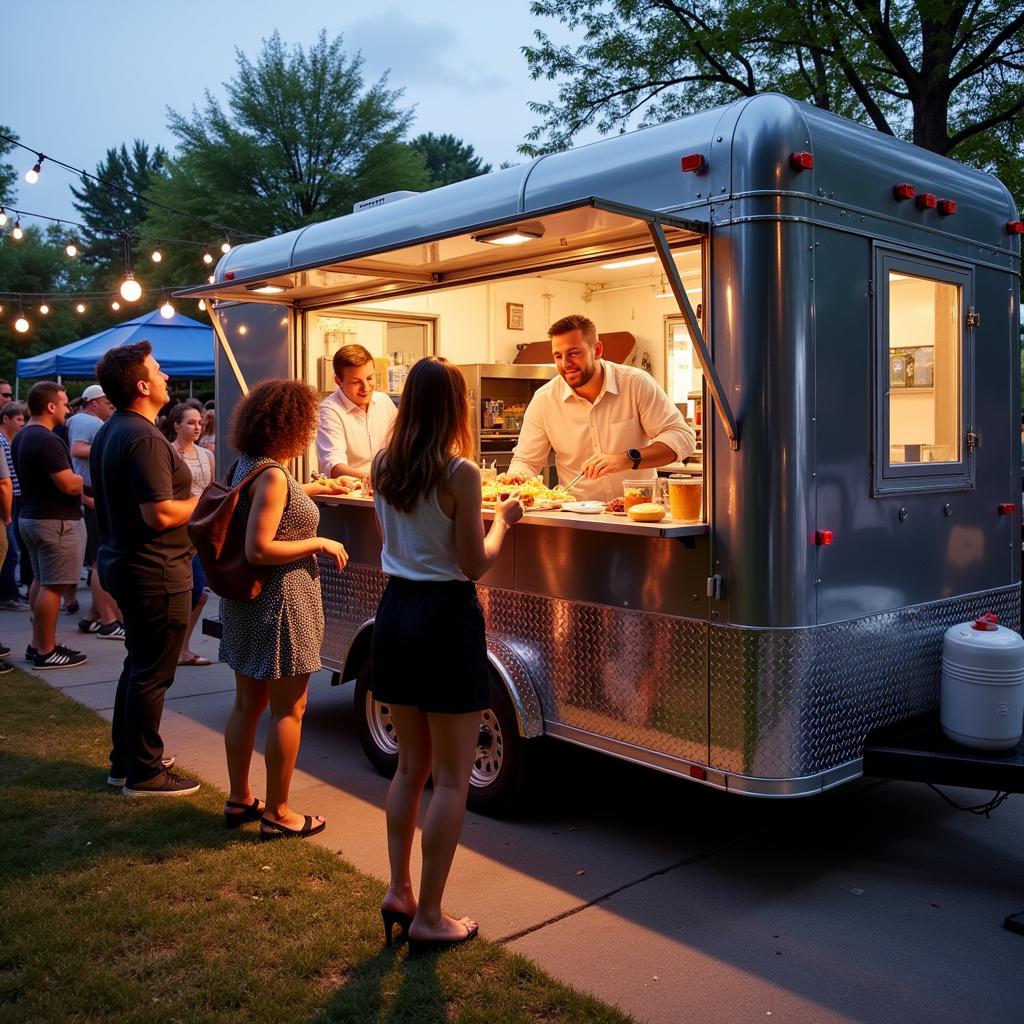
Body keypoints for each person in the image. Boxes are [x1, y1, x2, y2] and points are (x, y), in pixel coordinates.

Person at [371, 356, 523, 951]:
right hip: (445, 619)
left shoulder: (384, 465)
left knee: (411, 767)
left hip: (395, 613)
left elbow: (391, 542)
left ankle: (399, 889)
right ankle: (431, 915)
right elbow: (474, 564)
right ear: (457, 406)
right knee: (454, 779)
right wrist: (503, 521)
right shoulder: (459, 472)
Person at [219, 380, 348, 835]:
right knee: (289, 710)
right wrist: (320, 540)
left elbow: (272, 505)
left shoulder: (250, 466)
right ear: (292, 425)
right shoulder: (273, 474)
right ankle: (278, 813)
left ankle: (239, 800)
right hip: (281, 602)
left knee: (246, 705)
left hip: (247, 603)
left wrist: (313, 486)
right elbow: (259, 548)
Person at [91, 342, 200, 796]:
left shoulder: (114, 429)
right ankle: (145, 771)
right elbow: (159, 514)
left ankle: (127, 760)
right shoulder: (143, 436)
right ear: (141, 385)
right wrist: (210, 502)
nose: (166, 377)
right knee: (153, 673)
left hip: (130, 564)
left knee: (139, 666)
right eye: (158, 370)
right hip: (154, 569)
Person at [508, 314, 696, 502]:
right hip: (576, 516)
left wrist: (627, 459)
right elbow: (526, 461)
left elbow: (682, 437)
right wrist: (517, 476)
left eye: (574, 353)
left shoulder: (635, 383)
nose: (565, 363)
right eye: (558, 356)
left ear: (597, 350)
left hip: (638, 511)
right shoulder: (544, 400)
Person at [12, 382, 88, 669]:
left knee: (41, 581)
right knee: (53, 586)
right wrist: (90, 479)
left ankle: (37, 644)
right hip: (54, 520)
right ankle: (46, 650)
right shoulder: (46, 439)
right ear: (51, 406)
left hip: (31, 517)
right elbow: (69, 485)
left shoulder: (23, 436)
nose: (68, 410)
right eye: (65, 404)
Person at [68, 384, 124, 639]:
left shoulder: (84, 420)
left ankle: (93, 616)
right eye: (106, 402)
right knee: (100, 561)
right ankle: (108, 621)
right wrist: (112, 446)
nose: (110, 406)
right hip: (93, 493)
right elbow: (77, 449)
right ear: (93, 402)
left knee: (99, 559)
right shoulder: (88, 421)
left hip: (92, 492)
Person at [169, 403, 214, 666]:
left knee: (198, 591)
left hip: (200, 528)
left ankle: (182, 648)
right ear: (176, 425)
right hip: (177, 528)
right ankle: (174, 648)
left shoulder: (206, 454)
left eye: (199, 422)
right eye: (190, 422)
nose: (197, 427)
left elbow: (211, 491)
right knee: (190, 589)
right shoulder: (168, 452)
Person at [315, 343, 397, 485]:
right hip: (349, 499)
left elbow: (401, 447)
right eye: (355, 382)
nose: (365, 387)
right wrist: (377, 478)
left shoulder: (383, 401)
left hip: (386, 492)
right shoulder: (329, 410)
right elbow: (334, 467)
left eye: (370, 378)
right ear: (338, 381)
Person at [0, 398, 28, 608]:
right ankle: (7, 595)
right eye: (19, 418)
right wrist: (7, 512)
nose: (22, 423)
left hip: (14, 500)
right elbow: (4, 482)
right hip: (7, 504)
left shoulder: (9, 441)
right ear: (5, 419)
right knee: (10, 551)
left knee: (13, 550)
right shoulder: (1, 442)